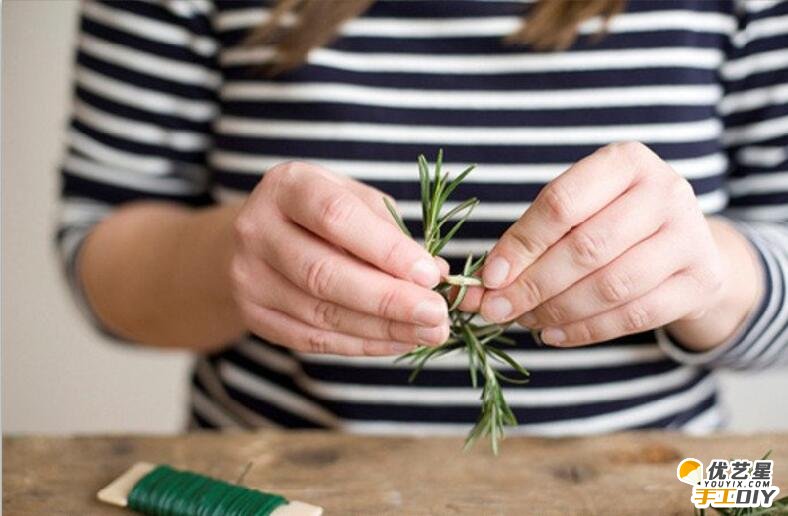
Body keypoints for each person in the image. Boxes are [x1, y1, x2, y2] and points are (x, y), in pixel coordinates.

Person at [58, 0, 787, 435]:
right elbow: (96, 250)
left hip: (648, 486)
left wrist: (714, 274)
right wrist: (229, 258)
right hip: (278, 486)